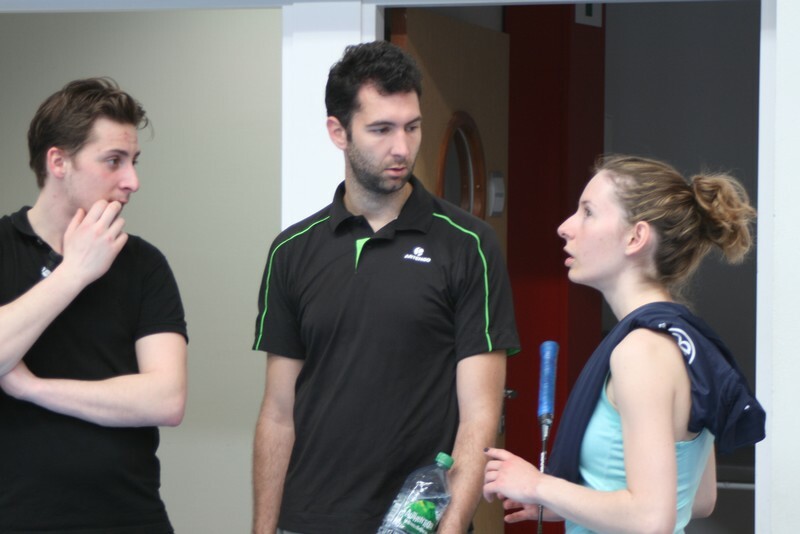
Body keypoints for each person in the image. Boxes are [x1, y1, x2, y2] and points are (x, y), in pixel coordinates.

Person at [252, 40, 520, 534]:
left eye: (412, 127)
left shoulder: (470, 245)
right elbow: (278, 413)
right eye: (381, 129)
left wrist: (450, 528)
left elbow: (480, 416)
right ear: (338, 131)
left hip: (414, 522)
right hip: (308, 519)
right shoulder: (291, 251)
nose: (402, 148)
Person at [483, 155, 766, 533]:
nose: (565, 227)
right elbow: (698, 498)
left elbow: (651, 518)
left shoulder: (642, 352)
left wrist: (538, 485)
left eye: (588, 212)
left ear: (635, 237)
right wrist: (565, 502)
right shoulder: (687, 343)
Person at [0, 78, 188, 533]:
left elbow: (166, 399)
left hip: (131, 518)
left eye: (133, 162)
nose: (132, 182)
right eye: (113, 161)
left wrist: (32, 388)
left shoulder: (144, 263)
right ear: (58, 162)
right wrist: (73, 273)